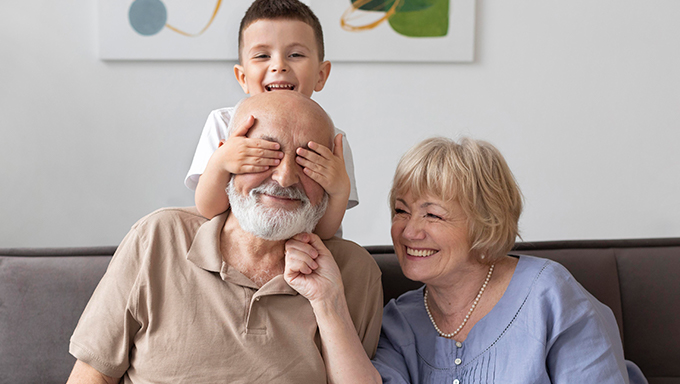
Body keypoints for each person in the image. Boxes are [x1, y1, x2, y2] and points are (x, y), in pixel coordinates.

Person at [66, 92, 383, 384]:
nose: (285, 177)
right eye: (265, 153)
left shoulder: (353, 271)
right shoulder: (159, 236)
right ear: (227, 160)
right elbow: (93, 374)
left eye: (308, 161)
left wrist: (329, 303)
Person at [370, 137, 648, 383]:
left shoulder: (549, 295)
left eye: (432, 215)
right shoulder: (398, 322)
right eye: (400, 210)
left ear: (484, 221)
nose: (408, 231)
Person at [186, 0, 356, 239]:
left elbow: (326, 233)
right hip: (238, 248)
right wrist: (221, 162)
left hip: (302, 251)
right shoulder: (224, 122)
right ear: (242, 77)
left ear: (321, 75)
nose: (279, 66)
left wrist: (339, 191)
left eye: (295, 54)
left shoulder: (331, 137)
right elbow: (208, 209)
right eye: (263, 55)